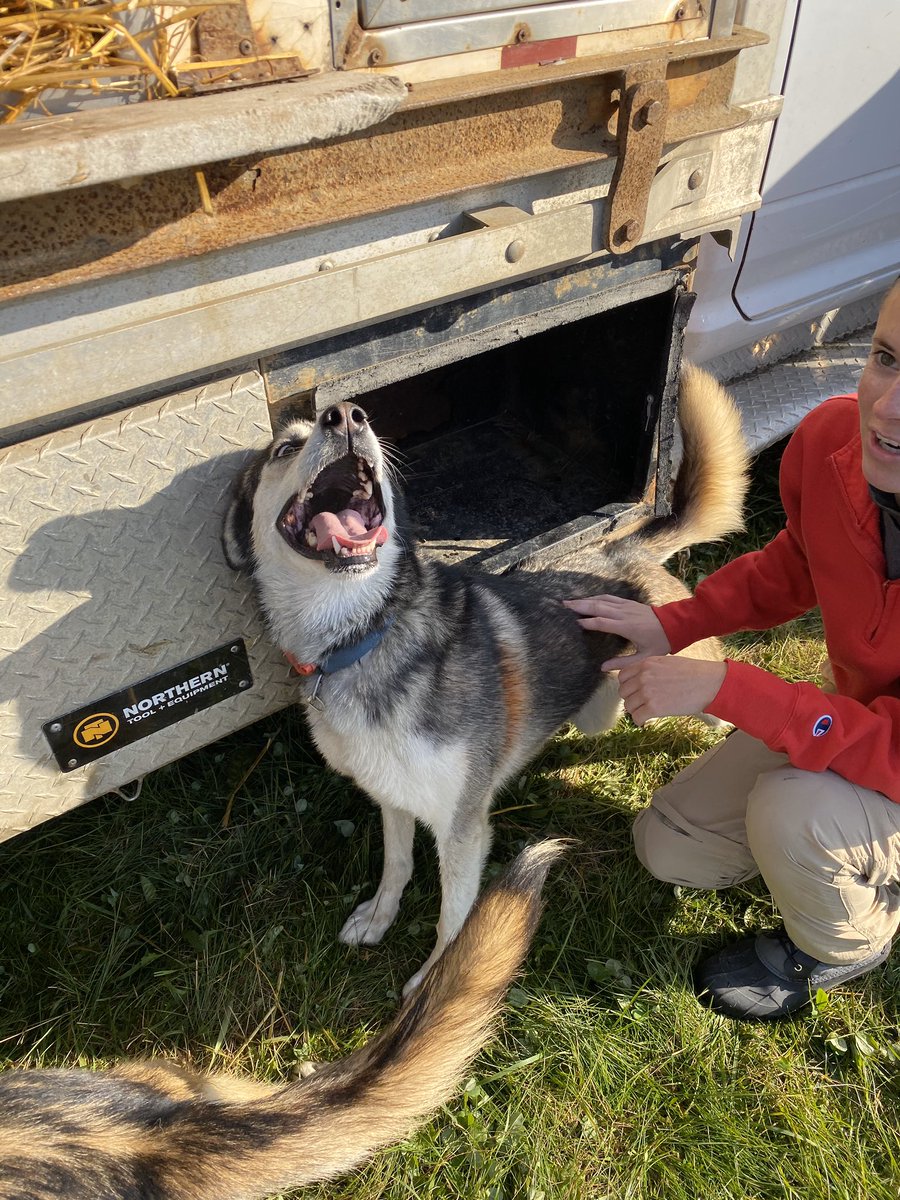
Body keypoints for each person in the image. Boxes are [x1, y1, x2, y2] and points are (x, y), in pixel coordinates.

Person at [564, 277, 900, 1020]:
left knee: (795, 813)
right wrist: (672, 624)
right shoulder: (831, 443)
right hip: (856, 719)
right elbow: (795, 566)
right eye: (887, 357)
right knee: (670, 845)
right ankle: (820, 848)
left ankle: (843, 941)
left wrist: (724, 690)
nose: (888, 407)